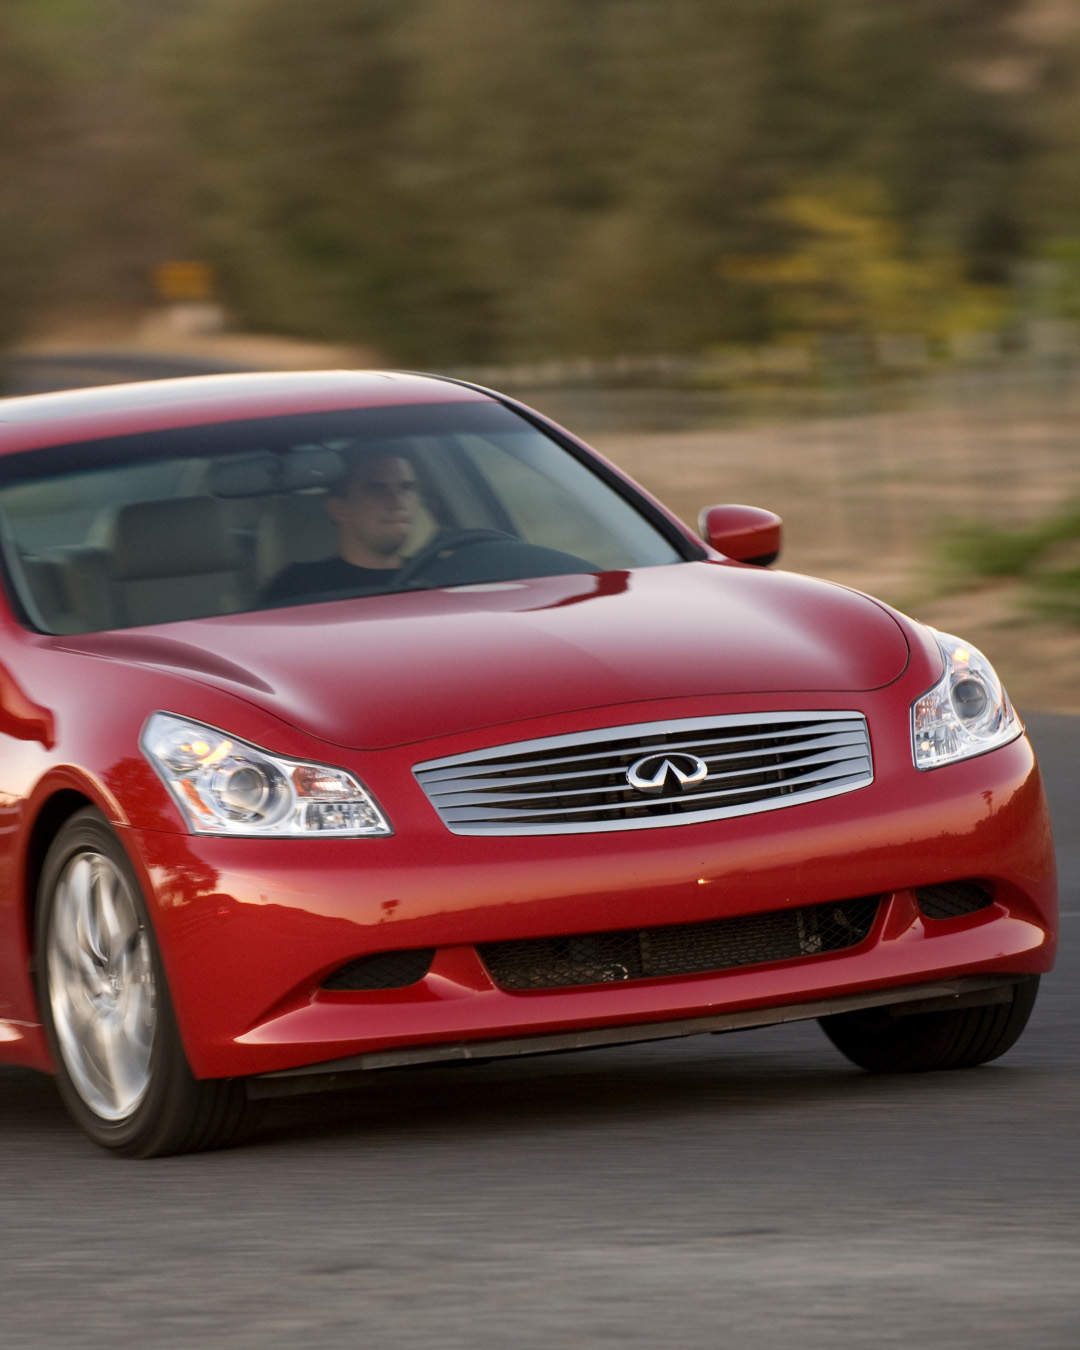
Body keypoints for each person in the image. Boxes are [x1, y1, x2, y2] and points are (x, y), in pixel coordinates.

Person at [262, 445, 420, 603]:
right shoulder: (297, 587)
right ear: (339, 509)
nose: (397, 501)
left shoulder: (429, 574)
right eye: (376, 488)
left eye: (406, 487)